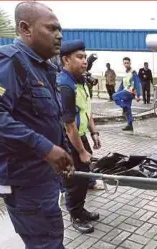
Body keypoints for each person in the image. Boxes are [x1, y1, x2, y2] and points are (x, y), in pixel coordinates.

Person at [0, 2, 78, 249]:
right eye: (51, 28)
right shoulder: (8, 60)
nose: (59, 35)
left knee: (41, 244)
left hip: (39, 176)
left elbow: (43, 120)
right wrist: (45, 148)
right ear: (25, 28)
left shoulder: (44, 69)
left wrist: (60, 152)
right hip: (22, 181)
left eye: (60, 29)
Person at [57, 40, 101, 234]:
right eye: (79, 57)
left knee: (85, 176)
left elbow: (87, 111)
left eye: (85, 57)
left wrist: (94, 133)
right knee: (74, 180)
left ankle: (81, 209)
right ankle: (75, 215)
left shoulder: (80, 81)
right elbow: (69, 125)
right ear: (66, 60)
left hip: (81, 137)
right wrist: (81, 151)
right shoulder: (65, 85)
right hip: (69, 141)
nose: (84, 61)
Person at [112, 57, 141, 131]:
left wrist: (138, 95)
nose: (126, 64)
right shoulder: (125, 73)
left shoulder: (133, 72)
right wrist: (118, 92)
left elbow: (137, 83)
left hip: (130, 92)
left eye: (127, 63)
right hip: (126, 91)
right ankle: (130, 125)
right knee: (128, 108)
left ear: (130, 63)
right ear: (123, 64)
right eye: (125, 63)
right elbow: (122, 84)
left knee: (114, 96)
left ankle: (124, 108)